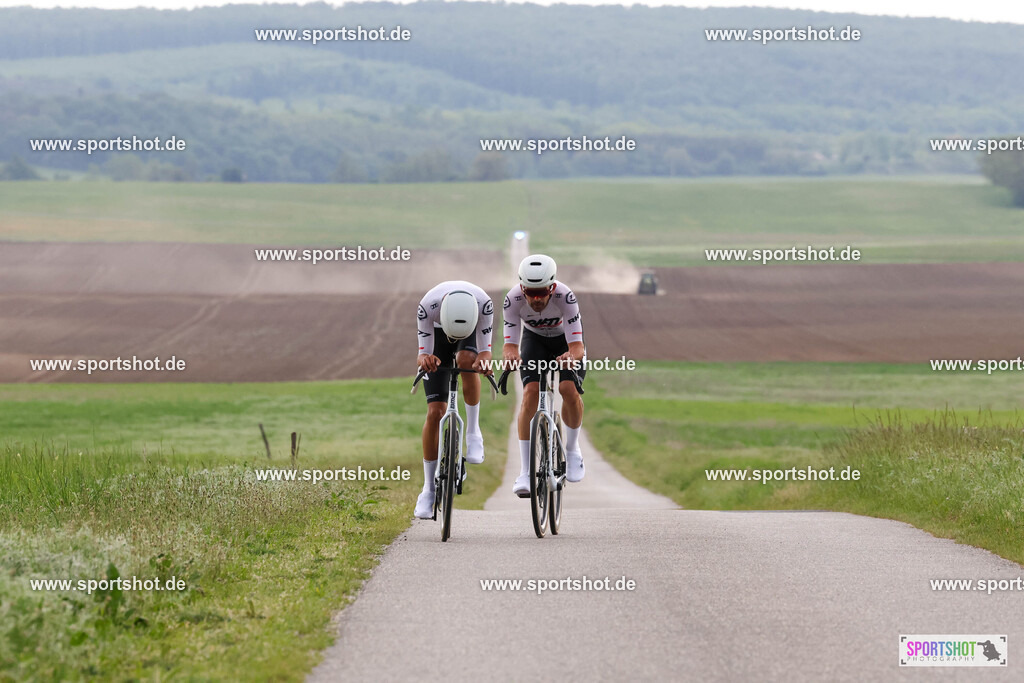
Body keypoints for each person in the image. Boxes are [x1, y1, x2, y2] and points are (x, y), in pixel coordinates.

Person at [501, 254, 585, 497]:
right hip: (534, 341)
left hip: (564, 342)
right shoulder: (512, 299)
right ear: (522, 288)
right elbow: (510, 345)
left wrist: (570, 357)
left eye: (542, 292)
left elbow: (577, 347)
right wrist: (510, 356)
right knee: (530, 393)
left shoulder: (566, 297)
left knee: (567, 390)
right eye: (530, 292)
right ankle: (526, 472)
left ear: (552, 287)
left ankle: (572, 450)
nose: (536, 299)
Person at [414, 281, 494, 519]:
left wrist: (485, 362)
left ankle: (473, 431)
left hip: (470, 331)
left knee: (468, 359)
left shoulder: (484, 305)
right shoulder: (427, 306)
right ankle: (428, 489)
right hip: (437, 334)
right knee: (435, 412)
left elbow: (486, 351)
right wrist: (425, 360)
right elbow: (423, 353)